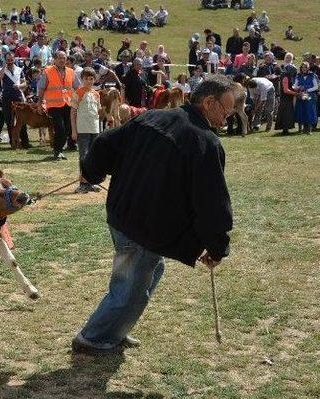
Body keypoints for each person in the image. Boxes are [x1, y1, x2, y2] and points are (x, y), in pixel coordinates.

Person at [71, 74, 234, 355]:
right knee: (131, 285)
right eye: (226, 109)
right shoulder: (205, 142)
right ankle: (93, 338)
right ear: (209, 102)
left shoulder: (153, 117)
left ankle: (114, 329)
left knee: (147, 271)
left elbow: (104, 143)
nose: (227, 117)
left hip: (124, 215)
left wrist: (92, 170)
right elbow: (212, 203)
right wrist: (217, 246)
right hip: (144, 226)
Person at [38, 51, 78, 160]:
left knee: (67, 130)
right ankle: (57, 151)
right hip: (54, 105)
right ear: (55, 59)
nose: (62, 60)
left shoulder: (71, 71)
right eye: (59, 58)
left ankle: (59, 150)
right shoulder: (47, 71)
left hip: (68, 105)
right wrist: (40, 103)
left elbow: (78, 88)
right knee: (60, 128)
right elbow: (41, 88)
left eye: (64, 58)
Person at [70, 67, 101, 194]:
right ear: (82, 79)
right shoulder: (78, 92)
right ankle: (83, 183)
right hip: (82, 129)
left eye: (91, 79)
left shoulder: (96, 94)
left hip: (94, 129)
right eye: (86, 79)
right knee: (84, 156)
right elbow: (73, 112)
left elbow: (97, 112)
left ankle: (91, 182)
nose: (89, 81)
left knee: (94, 156)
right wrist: (74, 130)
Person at [0, 51, 29, 149]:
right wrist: (4, 67)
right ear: (5, 60)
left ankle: (25, 142)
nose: (10, 62)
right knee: (9, 121)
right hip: (7, 98)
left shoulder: (19, 70)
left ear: (14, 59)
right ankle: (13, 143)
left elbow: (25, 84)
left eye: (11, 60)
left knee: (22, 120)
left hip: (18, 97)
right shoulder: (1, 69)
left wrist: (19, 86)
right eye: (8, 60)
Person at [293, 62, 319, 134]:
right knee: (300, 110)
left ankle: (309, 130)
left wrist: (308, 90)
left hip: (310, 96)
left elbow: (316, 87)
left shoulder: (312, 75)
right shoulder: (298, 76)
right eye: (302, 67)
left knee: (309, 111)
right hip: (301, 95)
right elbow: (295, 86)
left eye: (305, 67)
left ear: (308, 68)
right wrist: (299, 87)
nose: (304, 69)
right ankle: (300, 129)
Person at [274, 64, 297, 135]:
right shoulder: (285, 77)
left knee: (288, 113)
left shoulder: (287, 76)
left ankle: (286, 129)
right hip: (285, 98)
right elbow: (286, 90)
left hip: (288, 97)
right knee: (286, 113)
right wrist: (295, 93)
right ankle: (285, 129)